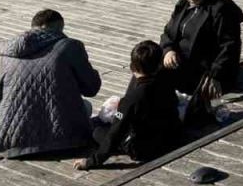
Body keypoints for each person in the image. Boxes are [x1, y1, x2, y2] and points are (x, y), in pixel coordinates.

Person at [0, 9, 102, 158]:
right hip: (62, 140)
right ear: (59, 26)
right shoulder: (70, 46)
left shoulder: (9, 53)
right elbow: (91, 88)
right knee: (86, 106)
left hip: (12, 140)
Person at [75, 41, 181, 170]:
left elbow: (116, 133)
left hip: (143, 148)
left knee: (97, 130)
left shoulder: (132, 99)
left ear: (134, 67)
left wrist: (92, 161)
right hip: (170, 135)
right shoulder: (166, 78)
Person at [160, 0, 243, 103]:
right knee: (146, 63)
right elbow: (168, 31)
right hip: (180, 60)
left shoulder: (221, 9)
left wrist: (215, 75)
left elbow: (229, 47)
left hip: (206, 68)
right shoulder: (184, 3)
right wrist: (168, 50)